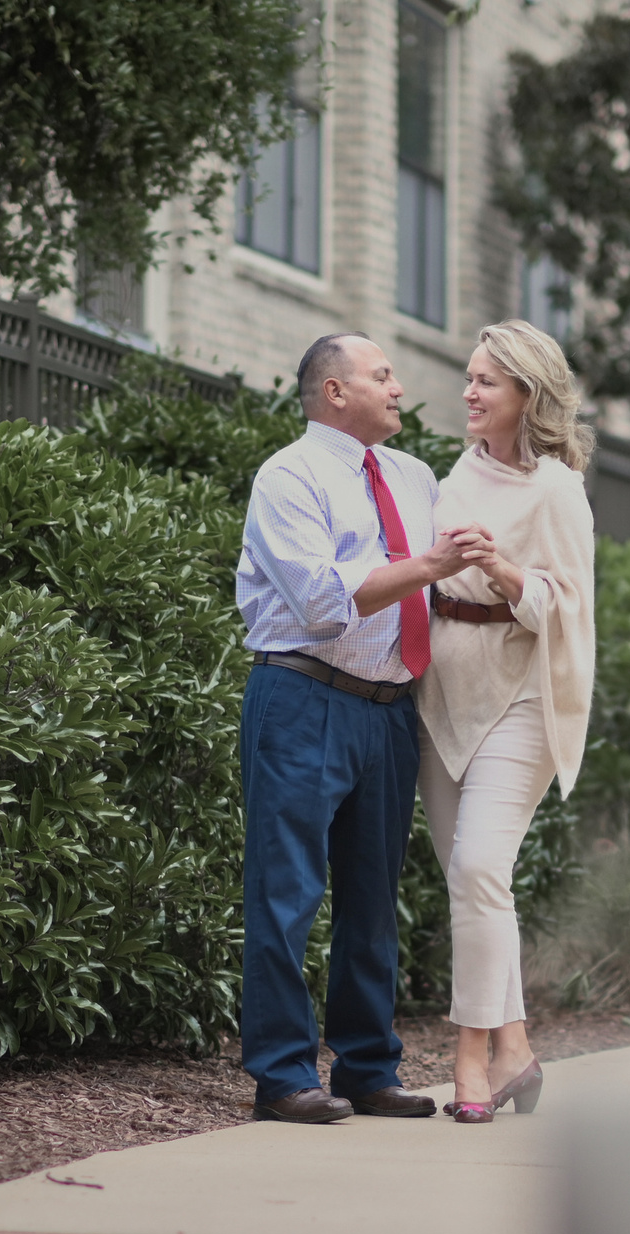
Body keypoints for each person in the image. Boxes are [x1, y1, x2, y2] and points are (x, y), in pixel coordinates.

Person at [235, 334, 494, 1124]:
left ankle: (366, 1069)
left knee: (373, 902)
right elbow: (320, 602)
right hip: (304, 697)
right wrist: (431, 568)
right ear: (335, 392)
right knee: (288, 894)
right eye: (382, 374)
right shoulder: (289, 476)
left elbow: (447, 578)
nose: (399, 386)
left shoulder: (416, 478)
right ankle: (282, 1077)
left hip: (388, 712)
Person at [413, 321, 598, 1124]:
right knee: (471, 881)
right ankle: (517, 1047)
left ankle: (470, 1058)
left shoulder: (557, 488)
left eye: (487, 380)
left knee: (481, 866)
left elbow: (567, 603)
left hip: (521, 691)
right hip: (442, 691)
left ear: (528, 392)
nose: (470, 392)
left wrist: (500, 568)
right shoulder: (457, 470)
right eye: (469, 377)